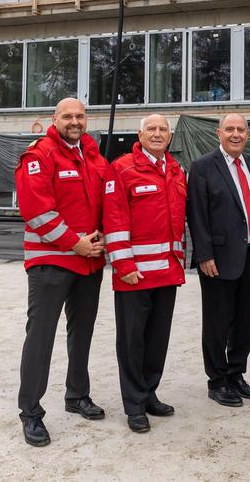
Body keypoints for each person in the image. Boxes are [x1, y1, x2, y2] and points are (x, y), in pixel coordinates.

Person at [15, 97, 109, 447]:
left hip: (88, 262)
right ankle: (31, 412)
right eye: (67, 116)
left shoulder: (93, 154)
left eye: (80, 115)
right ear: (54, 119)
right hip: (51, 262)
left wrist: (100, 234)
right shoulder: (39, 155)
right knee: (40, 337)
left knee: (81, 333)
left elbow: (104, 201)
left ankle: (77, 395)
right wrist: (75, 243)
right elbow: (36, 211)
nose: (75, 121)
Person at [103, 114, 188, 434]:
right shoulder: (122, 168)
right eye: (151, 129)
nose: (157, 133)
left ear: (170, 136)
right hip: (134, 275)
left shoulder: (177, 170)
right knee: (132, 342)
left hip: (167, 273)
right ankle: (134, 404)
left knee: (156, 340)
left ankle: (150, 392)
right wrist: (123, 265)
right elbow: (113, 219)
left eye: (163, 129)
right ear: (139, 134)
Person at [186, 113, 250, 408]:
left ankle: (236, 374)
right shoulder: (201, 167)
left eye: (241, 129)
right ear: (218, 133)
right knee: (217, 322)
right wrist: (204, 255)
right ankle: (217, 380)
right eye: (230, 129)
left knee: (244, 321)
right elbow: (196, 214)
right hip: (218, 259)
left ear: (248, 134)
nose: (236, 134)